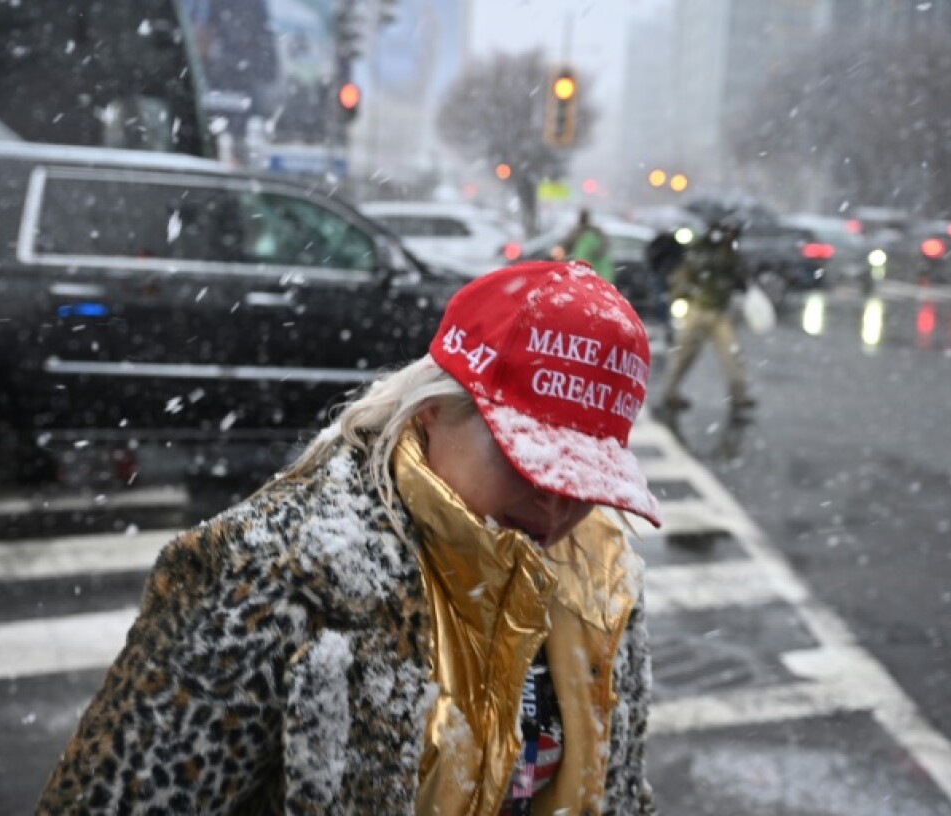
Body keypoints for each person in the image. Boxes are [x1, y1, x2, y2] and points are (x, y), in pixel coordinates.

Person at [36, 260, 661, 815]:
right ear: (433, 409)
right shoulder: (271, 572)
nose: (558, 506)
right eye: (530, 463)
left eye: (586, 477)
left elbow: (618, 789)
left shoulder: (599, 579)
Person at [658, 218, 755, 420]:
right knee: (684, 354)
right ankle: (670, 393)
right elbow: (696, 269)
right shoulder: (704, 249)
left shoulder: (731, 253)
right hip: (698, 308)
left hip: (719, 311)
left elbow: (739, 278)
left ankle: (739, 394)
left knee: (732, 355)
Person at [560, 207, 614, 283]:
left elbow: (566, 245)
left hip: (585, 269)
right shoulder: (583, 231)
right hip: (584, 269)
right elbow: (566, 246)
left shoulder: (591, 232)